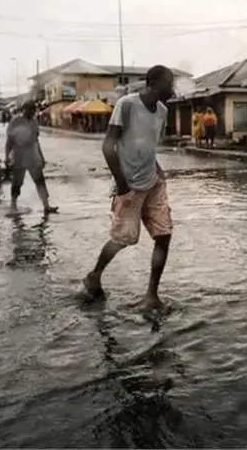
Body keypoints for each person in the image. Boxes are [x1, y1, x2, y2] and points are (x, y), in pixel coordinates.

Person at [82, 65, 175, 310]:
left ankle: (152, 295)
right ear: (152, 83)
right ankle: (95, 275)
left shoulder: (163, 111)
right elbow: (108, 146)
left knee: (164, 235)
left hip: (153, 182)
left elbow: (147, 144)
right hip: (129, 185)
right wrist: (122, 185)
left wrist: (157, 168)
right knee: (123, 239)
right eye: (169, 84)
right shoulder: (127, 105)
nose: (173, 89)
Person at [4, 101, 58, 216]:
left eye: (33, 111)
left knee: (40, 180)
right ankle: (13, 205)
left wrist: (41, 156)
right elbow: (9, 141)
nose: (32, 113)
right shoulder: (16, 121)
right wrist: (6, 157)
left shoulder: (34, 121)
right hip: (19, 154)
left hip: (32, 154)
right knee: (17, 182)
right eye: (30, 111)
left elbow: (36, 140)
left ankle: (46, 205)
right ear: (24, 110)